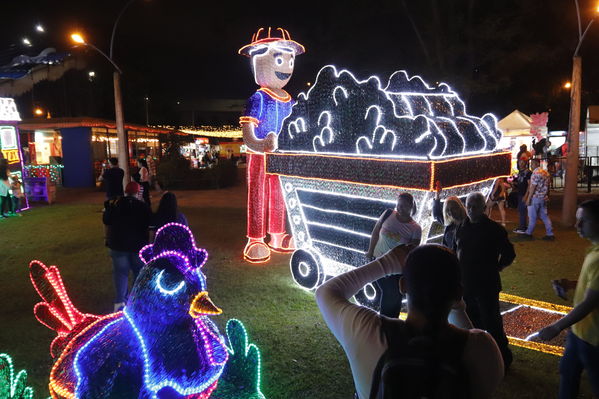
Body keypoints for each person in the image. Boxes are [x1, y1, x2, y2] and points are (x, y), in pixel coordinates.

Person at [316, 244, 504, 399]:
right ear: (458, 293)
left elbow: (326, 292)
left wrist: (387, 263)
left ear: (402, 285)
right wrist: (457, 306)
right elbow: (469, 338)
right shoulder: (483, 349)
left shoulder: (368, 332)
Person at [239, 27, 305, 262]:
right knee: (258, 194)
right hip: (259, 155)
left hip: (282, 156)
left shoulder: (291, 100)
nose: (285, 66)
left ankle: (277, 234)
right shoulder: (258, 98)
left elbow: (298, 126)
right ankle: (255, 238)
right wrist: (259, 144)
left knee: (279, 195)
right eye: (279, 58)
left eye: (289, 60)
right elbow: (247, 132)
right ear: (258, 60)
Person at [538, 199, 599, 398]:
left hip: (593, 338)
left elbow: (590, 302)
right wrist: (571, 284)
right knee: (567, 374)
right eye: (577, 220)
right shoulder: (593, 249)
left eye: (584, 221)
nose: (577, 226)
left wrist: (556, 327)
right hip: (578, 333)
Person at [455, 192, 516, 370]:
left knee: (492, 322)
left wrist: (497, 267)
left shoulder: (494, 230)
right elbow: (456, 249)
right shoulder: (462, 226)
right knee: (472, 322)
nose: (471, 209)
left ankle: (503, 358)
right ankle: (480, 356)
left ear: (483, 208)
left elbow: (509, 253)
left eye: (475, 206)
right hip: (466, 285)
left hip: (486, 285)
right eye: (469, 206)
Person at [366, 192, 421, 317]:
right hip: (378, 260)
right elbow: (375, 233)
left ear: (411, 207)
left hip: (396, 267)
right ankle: (385, 322)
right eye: (398, 205)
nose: (400, 208)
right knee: (390, 292)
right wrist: (370, 252)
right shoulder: (388, 214)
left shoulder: (415, 228)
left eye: (404, 206)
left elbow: (413, 251)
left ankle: (390, 323)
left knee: (395, 295)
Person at [103, 181, 151, 311]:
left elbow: (106, 220)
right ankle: (136, 302)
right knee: (138, 273)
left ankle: (119, 303)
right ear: (137, 192)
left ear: (126, 191)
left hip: (117, 244)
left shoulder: (115, 204)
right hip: (137, 245)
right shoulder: (142, 206)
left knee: (120, 273)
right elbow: (149, 223)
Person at [523, 158, 555, 240]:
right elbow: (547, 186)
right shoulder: (545, 173)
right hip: (543, 197)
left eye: (532, 164)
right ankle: (550, 233)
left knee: (532, 217)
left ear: (536, 164)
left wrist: (528, 198)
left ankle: (528, 233)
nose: (531, 166)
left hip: (535, 198)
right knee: (544, 216)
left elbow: (532, 187)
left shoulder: (535, 173)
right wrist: (547, 195)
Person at [432, 183, 467, 250]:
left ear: (459, 207)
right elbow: (437, 215)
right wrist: (437, 195)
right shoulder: (450, 223)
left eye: (453, 208)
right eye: (448, 210)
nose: (450, 212)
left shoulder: (468, 222)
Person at [513, 158, 532, 234]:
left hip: (524, 194)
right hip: (520, 193)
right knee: (521, 210)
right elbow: (520, 182)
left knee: (522, 210)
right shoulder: (520, 172)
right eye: (520, 162)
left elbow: (529, 184)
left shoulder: (528, 173)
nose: (521, 163)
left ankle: (522, 228)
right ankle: (523, 226)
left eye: (522, 162)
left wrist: (526, 195)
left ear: (526, 163)